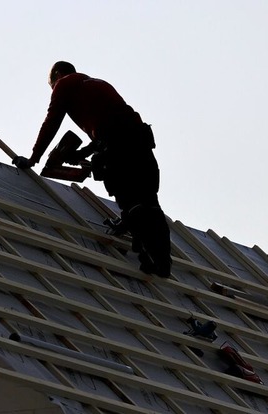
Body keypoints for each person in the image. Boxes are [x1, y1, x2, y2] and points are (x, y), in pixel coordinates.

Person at [13, 61, 172, 277]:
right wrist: (83, 154)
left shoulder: (64, 84)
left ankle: (151, 261)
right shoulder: (98, 85)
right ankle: (162, 261)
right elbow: (111, 126)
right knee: (148, 200)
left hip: (119, 147)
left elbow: (52, 120)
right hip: (140, 142)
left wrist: (34, 157)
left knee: (132, 201)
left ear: (58, 75)